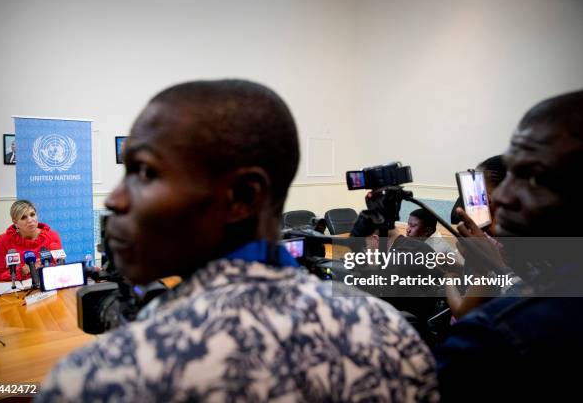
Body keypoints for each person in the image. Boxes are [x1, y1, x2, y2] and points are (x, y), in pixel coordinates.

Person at [37, 80, 439, 402]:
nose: (114, 199)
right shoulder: (394, 337)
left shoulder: (98, 379)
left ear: (243, 197)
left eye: (145, 173)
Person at [434, 90, 583, 401]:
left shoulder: (493, 338)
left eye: (534, 178)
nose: (501, 198)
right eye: (511, 174)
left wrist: (484, 271)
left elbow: (468, 310)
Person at [0, 199, 63, 282]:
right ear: (15, 223)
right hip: (19, 291)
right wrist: (21, 272)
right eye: (23, 217)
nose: (30, 220)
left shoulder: (52, 236)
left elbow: (60, 267)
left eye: (32, 215)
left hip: (48, 287)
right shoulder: (4, 240)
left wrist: (46, 267)